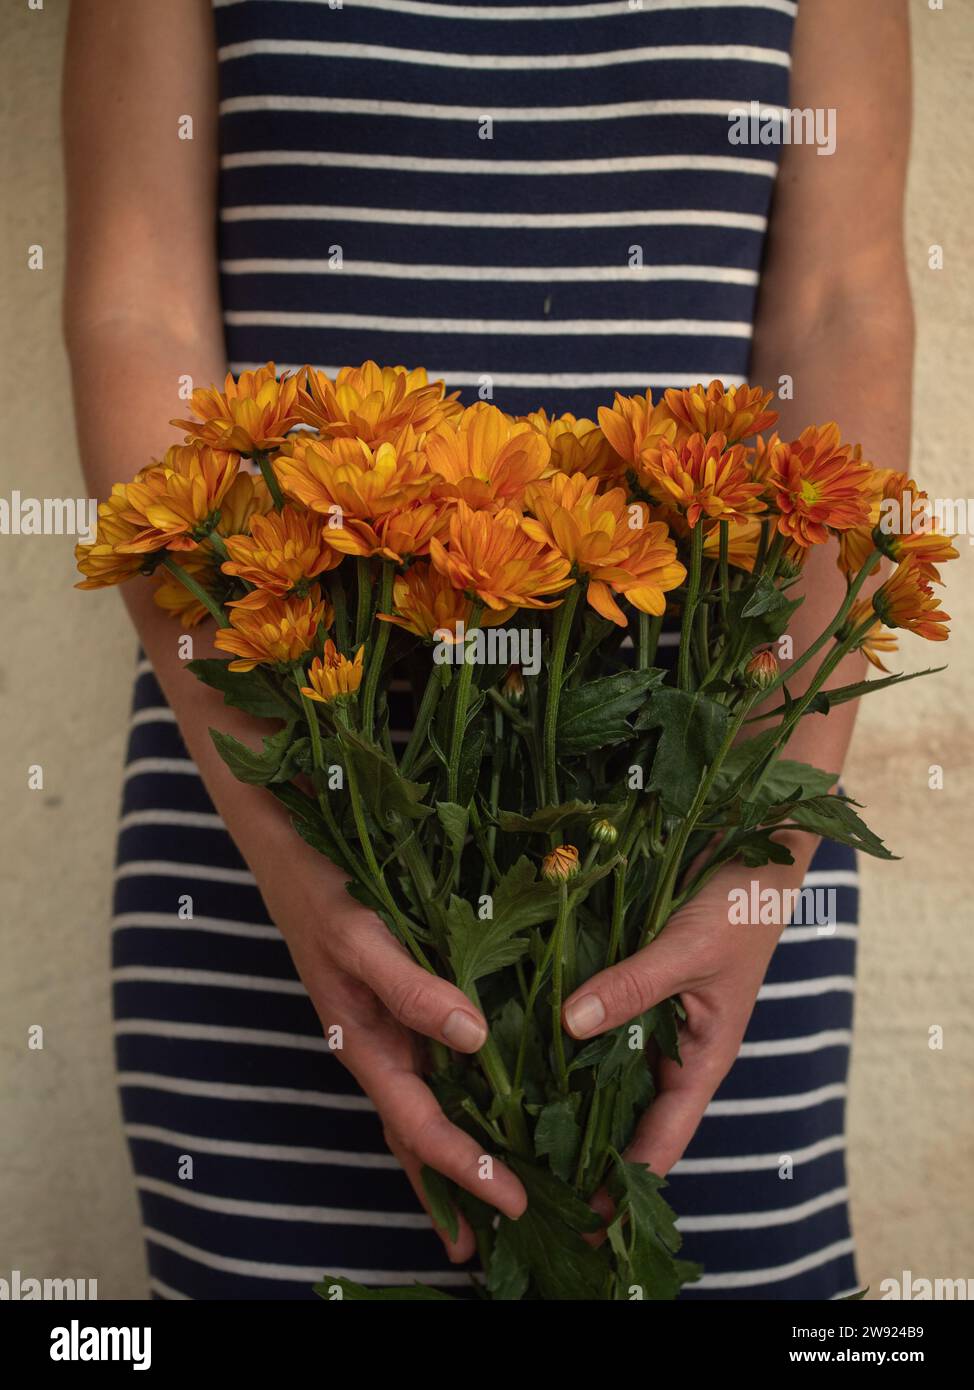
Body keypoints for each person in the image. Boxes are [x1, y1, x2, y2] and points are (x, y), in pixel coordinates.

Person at [63, 0, 912, 1299]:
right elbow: (138, 311)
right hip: (272, 823)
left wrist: (755, 859)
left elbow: (842, 307)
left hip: (692, 868)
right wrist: (289, 843)